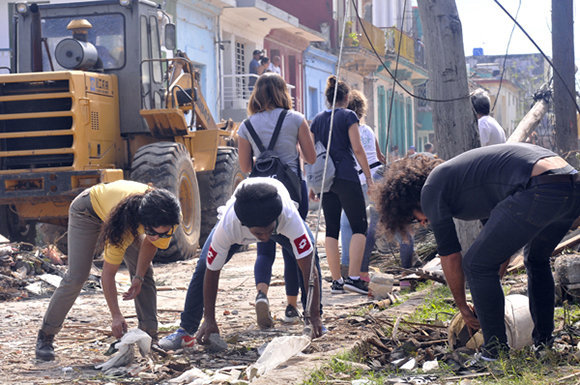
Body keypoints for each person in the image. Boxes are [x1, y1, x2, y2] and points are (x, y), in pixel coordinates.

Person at [374, 143, 580, 360]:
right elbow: (500, 251)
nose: (422, 223)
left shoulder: (431, 190)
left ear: (409, 200)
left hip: (540, 188)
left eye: (413, 218)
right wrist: (487, 297)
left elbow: (451, 256)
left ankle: (495, 353)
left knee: (474, 264)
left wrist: (463, 307)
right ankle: (544, 345)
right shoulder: (470, 184)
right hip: (571, 185)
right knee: (536, 259)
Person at [159, 178, 324, 350]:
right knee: (202, 266)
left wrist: (314, 315)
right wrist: (209, 318)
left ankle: (314, 321)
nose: (266, 238)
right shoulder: (229, 226)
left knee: (311, 257)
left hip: (281, 220)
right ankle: (186, 330)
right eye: (259, 234)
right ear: (245, 226)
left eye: (269, 231)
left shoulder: (288, 217)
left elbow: (308, 269)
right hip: (239, 224)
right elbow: (211, 270)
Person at [35, 180, 181, 361]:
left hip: (121, 210)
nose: (159, 237)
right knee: (77, 275)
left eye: (164, 233)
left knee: (145, 272)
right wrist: (116, 316)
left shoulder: (169, 216)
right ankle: (46, 336)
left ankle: (150, 335)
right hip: (87, 211)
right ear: (144, 223)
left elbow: (151, 243)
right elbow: (108, 274)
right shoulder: (124, 228)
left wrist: (139, 277)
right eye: (153, 232)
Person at [237, 73, 316, 327]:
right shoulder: (295, 119)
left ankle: (262, 293)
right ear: (284, 92)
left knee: (264, 248)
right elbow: (312, 157)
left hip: (261, 190)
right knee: (293, 248)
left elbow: (245, 166)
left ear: (257, 94)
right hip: (293, 191)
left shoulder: (246, 126)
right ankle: (292, 306)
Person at [310, 75, 373, 295]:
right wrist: (369, 176)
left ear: (327, 98)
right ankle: (354, 278)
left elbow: (309, 153)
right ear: (346, 98)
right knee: (359, 226)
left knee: (331, 229)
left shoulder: (317, 119)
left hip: (325, 179)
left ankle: (337, 281)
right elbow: (357, 149)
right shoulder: (349, 116)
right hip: (346, 175)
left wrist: (312, 183)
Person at [339, 90, 385, 281]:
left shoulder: (348, 131)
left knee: (347, 223)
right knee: (376, 222)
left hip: (361, 179)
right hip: (378, 175)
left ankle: (349, 265)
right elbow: (380, 156)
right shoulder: (369, 130)